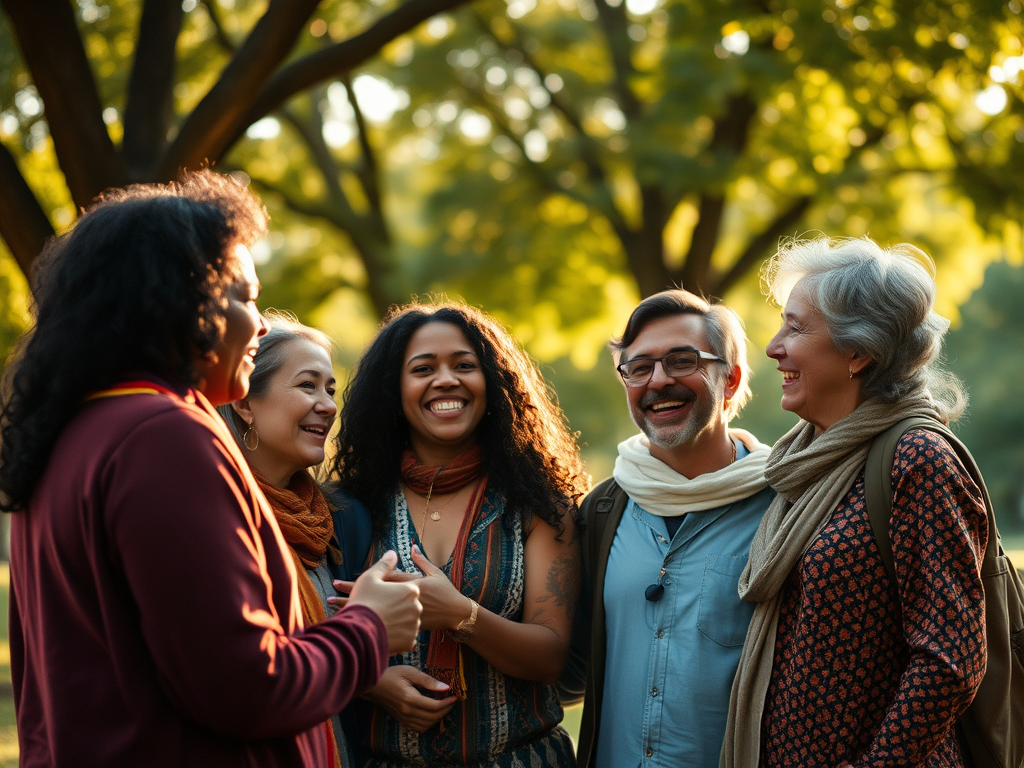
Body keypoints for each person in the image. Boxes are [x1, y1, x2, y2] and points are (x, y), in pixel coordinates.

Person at [0, 170, 421, 768]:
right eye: (246, 297)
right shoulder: (161, 437)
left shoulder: (73, 433)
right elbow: (247, 688)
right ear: (180, 300)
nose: (260, 325)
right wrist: (370, 628)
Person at [721, 236, 988, 768]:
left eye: (795, 328)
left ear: (859, 352)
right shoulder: (807, 461)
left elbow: (952, 655)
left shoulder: (917, 459)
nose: (773, 347)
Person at [328, 301, 589, 768]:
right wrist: (366, 679)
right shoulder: (349, 505)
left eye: (465, 366)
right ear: (395, 390)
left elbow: (550, 656)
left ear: (492, 384)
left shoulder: (540, 503)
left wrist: (460, 614)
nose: (445, 379)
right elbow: (309, 630)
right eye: (422, 368)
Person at [559, 289, 774, 768]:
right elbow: (568, 671)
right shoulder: (599, 513)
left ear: (731, 380)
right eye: (639, 368)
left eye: (682, 361)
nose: (658, 381)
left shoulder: (784, 508)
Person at [216, 311, 367, 768]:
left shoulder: (336, 522)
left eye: (331, 389)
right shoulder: (219, 518)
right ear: (245, 403)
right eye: (307, 386)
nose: (327, 405)